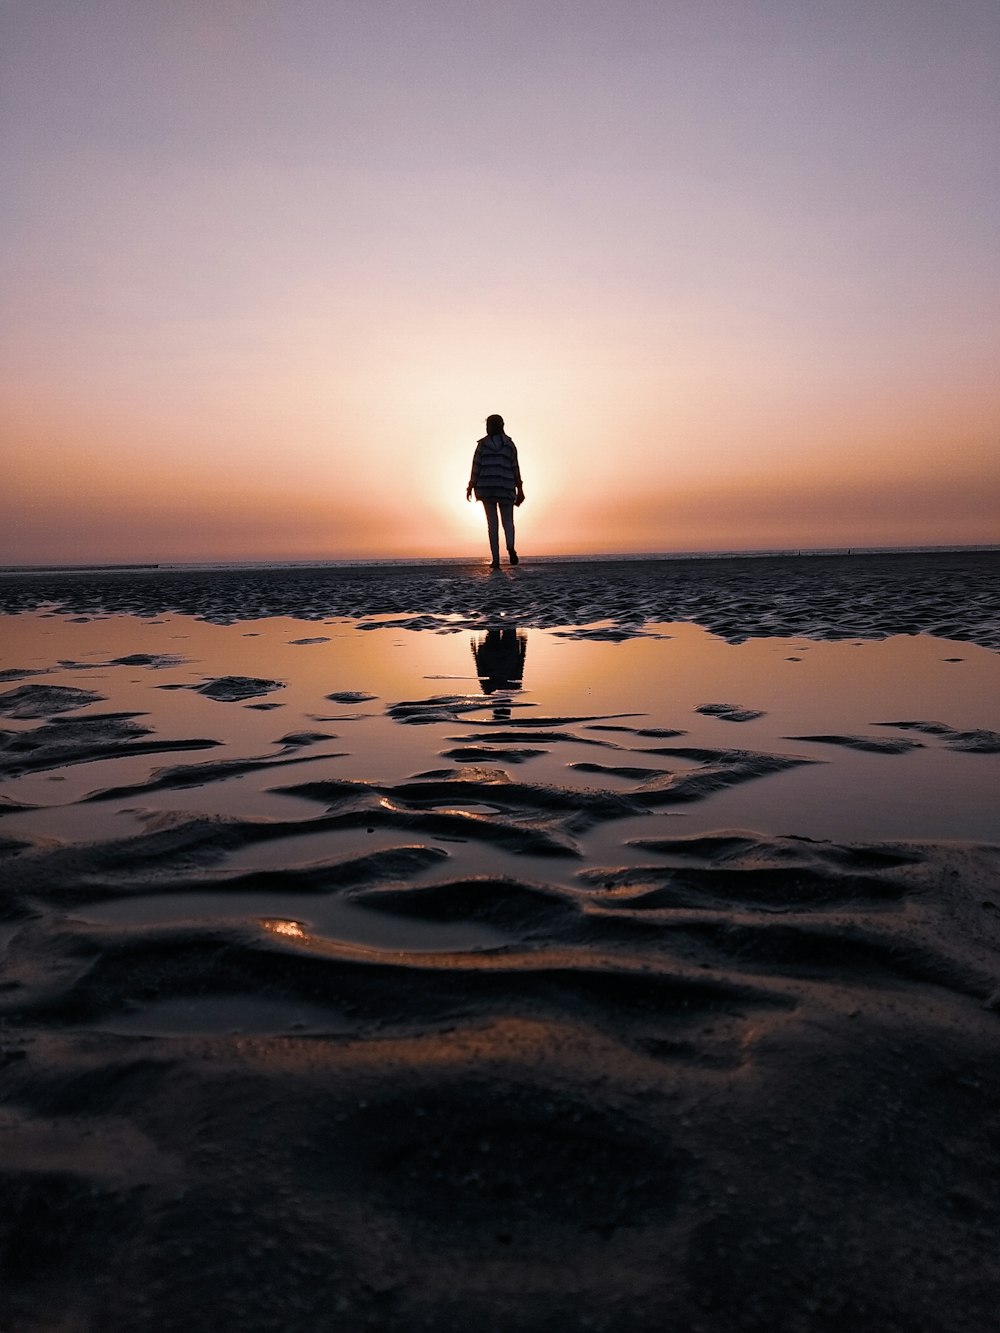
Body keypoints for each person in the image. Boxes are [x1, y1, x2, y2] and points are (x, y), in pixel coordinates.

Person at [466, 413, 525, 568]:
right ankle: (510, 546)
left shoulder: (482, 445)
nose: (486, 429)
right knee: (508, 521)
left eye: (487, 426)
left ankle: (496, 560)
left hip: (486, 488)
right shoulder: (509, 445)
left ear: (493, 427)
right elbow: (515, 468)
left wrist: (470, 486)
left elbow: (476, 466)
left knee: (492, 525)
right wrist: (520, 488)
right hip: (506, 487)